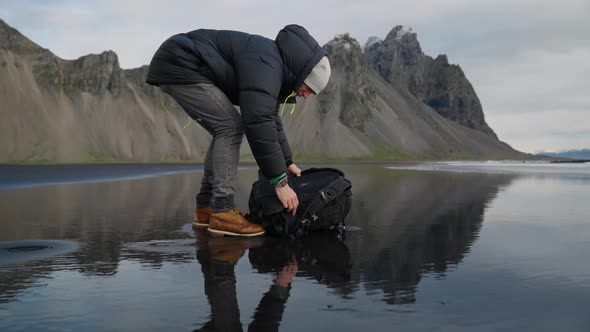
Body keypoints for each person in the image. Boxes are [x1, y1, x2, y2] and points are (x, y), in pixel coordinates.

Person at [146, 25, 331, 237]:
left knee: (224, 128)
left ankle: (206, 209)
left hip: (179, 61)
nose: (307, 95)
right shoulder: (267, 65)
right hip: (181, 63)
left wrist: (287, 161)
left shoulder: (274, 66)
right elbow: (258, 122)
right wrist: (280, 183)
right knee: (230, 128)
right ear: (302, 75)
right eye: (309, 88)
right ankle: (223, 210)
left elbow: (271, 119)